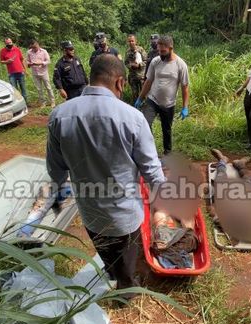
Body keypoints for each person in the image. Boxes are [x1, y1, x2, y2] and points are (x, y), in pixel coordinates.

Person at [46, 54, 165, 298]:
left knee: (106, 251)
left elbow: (56, 168)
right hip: (124, 213)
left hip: (90, 210)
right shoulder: (132, 118)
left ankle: (112, 275)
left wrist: (59, 192)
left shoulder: (60, 115)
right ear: (120, 83)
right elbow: (151, 169)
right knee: (127, 260)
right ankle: (126, 293)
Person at [134, 35, 189, 155]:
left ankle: (167, 153)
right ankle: (150, 152)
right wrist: (140, 98)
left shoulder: (181, 65)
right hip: (152, 100)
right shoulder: (155, 61)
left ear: (171, 48)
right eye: (159, 50)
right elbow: (148, 81)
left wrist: (185, 107)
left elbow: (185, 87)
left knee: (167, 130)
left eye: (163, 51)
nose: (160, 53)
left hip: (168, 103)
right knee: (145, 124)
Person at [27, 39, 55, 108]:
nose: (34, 48)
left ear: (38, 45)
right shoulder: (29, 52)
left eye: (35, 47)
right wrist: (30, 64)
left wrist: (41, 63)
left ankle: (52, 101)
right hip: (35, 73)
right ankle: (43, 103)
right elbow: (27, 61)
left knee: (48, 87)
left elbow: (48, 61)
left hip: (44, 72)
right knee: (39, 89)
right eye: (33, 47)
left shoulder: (44, 51)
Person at [0, 38, 27, 102]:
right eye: (7, 43)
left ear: (12, 42)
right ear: (5, 44)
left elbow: (22, 59)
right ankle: (18, 102)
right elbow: (1, 61)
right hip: (11, 73)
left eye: (10, 42)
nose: (9, 44)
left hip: (20, 72)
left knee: (23, 88)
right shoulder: (2, 51)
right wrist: (7, 61)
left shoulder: (17, 49)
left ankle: (25, 102)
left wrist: (25, 69)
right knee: (14, 89)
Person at [124, 34, 147, 102]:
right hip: (132, 77)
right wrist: (130, 65)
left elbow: (146, 61)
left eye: (132, 41)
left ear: (135, 41)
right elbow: (126, 63)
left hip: (141, 77)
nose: (131, 43)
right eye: (129, 41)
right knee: (134, 95)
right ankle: (136, 109)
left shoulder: (140, 50)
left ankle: (145, 109)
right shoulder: (127, 52)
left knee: (144, 94)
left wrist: (139, 65)